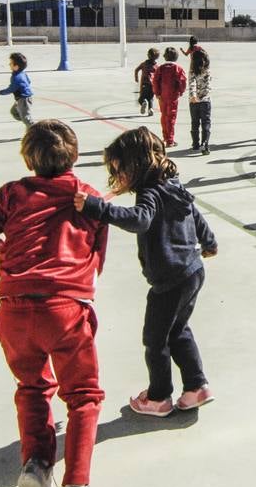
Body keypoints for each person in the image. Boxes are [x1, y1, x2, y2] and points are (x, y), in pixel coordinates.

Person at [0, 120, 110, 487]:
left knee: (32, 386)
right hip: (66, 308)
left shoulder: (12, 193)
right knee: (83, 397)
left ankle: (37, 466)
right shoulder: (86, 197)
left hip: (15, 308)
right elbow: (97, 256)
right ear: (73, 155)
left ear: (28, 157)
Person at [76, 127, 218, 418]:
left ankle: (158, 397)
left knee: (155, 340)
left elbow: (140, 220)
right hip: (192, 270)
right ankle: (196, 387)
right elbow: (194, 212)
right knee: (178, 330)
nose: (120, 177)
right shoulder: (173, 184)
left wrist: (97, 208)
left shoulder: (149, 192)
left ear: (137, 165)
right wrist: (209, 241)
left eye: (121, 169)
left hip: (170, 279)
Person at [152, 47, 187, 147]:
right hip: (173, 96)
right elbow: (182, 81)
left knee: (164, 116)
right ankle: (170, 140)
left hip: (162, 96)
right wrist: (181, 91)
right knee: (171, 117)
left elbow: (155, 81)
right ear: (176, 57)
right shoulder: (178, 68)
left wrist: (157, 93)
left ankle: (166, 137)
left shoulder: (160, 68)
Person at [0, 52, 35, 128]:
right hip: (21, 99)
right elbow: (29, 81)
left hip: (24, 99)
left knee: (26, 118)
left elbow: (11, 89)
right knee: (14, 112)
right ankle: (29, 125)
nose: (9, 64)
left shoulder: (17, 78)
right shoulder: (22, 73)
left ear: (16, 67)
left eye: (11, 63)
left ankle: (35, 130)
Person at [188, 47, 212, 156]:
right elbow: (207, 85)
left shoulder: (192, 71)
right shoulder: (207, 71)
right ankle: (205, 143)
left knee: (195, 122)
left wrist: (193, 96)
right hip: (205, 101)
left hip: (193, 102)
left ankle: (195, 144)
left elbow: (191, 84)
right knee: (206, 122)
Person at [134, 48, 160, 117]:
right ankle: (150, 109)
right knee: (150, 98)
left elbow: (136, 70)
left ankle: (143, 102)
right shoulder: (157, 67)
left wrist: (136, 78)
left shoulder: (143, 64)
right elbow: (159, 77)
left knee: (140, 99)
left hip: (144, 84)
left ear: (148, 55)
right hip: (153, 85)